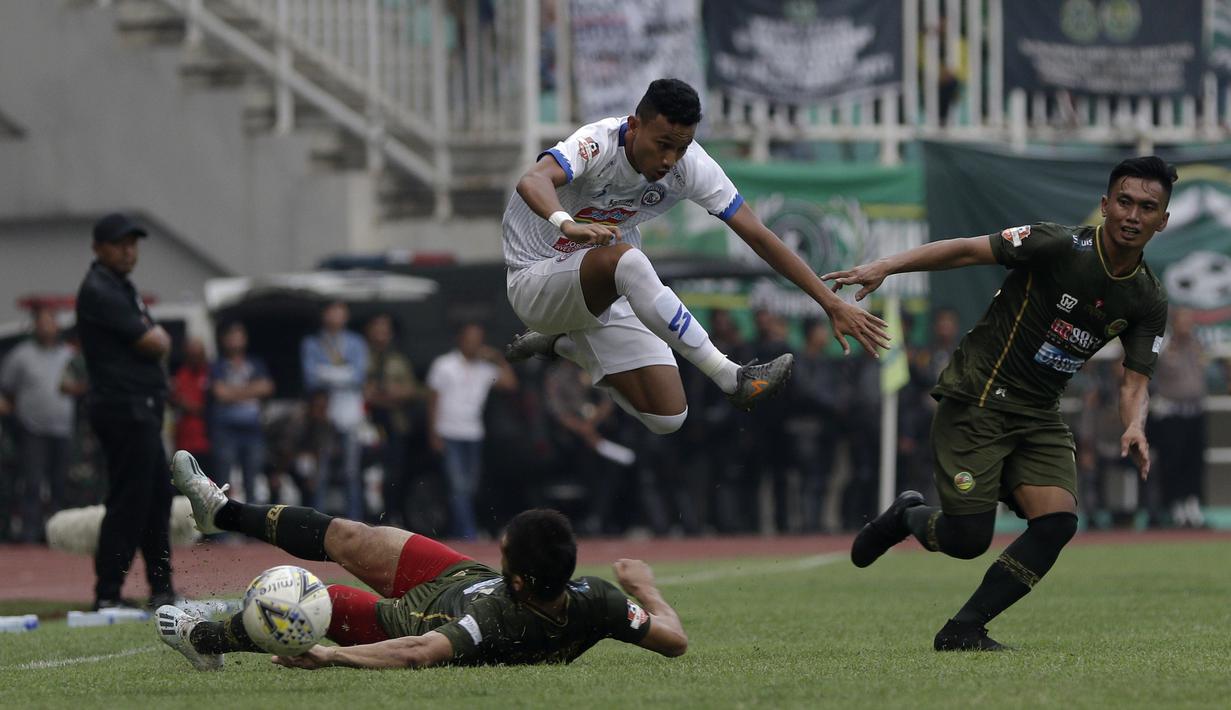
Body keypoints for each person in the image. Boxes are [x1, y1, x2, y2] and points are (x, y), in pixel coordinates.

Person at [824, 157, 1173, 650]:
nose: (1133, 215)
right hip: (979, 396)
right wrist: (887, 265)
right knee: (968, 540)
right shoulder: (1058, 245)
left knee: (1057, 523)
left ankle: (964, 629)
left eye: (1148, 207)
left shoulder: (1148, 298)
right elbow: (967, 251)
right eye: (1125, 202)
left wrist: (1135, 425)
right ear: (1105, 205)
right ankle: (907, 517)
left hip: (1039, 413)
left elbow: (1134, 380)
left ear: (1163, 220)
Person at [502, 78, 889, 436]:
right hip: (536, 274)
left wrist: (831, 303)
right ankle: (733, 378)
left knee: (668, 417)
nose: (671, 159)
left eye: (682, 146)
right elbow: (532, 180)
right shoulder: (598, 142)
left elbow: (758, 234)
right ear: (635, 125)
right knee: (631, 261)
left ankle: (558, 343)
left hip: (603, 285)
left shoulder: (691, 167)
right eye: (663, 144)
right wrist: (566, 223)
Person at [157, 450, 686, 670]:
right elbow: (674, 640)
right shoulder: (598, 598)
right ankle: (223, 513)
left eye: (505, 552)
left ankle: (202, 640)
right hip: (456, 578)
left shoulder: (495, 620)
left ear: (521, 582)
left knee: (313, 605)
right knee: (351, 536)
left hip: (417, 616)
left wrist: (331, 657)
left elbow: (419, 651)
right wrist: (646, 588)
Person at [75, 212, 177, 610]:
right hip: (124, 408)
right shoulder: (101, 289)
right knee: (129, 501)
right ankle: (107, 594)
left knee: (156, 498)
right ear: (98, 248)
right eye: (120, 244)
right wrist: (159, 338)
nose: (128, 251)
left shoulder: (120, 285)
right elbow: (154, 342)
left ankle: (161, 588)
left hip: (140, 408)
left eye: (133, 244)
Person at [426, 323, 518, 540]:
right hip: (449, 431)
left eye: (478, 339)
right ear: (460, 339)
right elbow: (433, 400)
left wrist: (497, 357)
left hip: (473, 433)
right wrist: (433, 432)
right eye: (470, 339)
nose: (475, 343)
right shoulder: (444, 365)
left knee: (471, 486)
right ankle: (468, 533)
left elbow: (511, 384)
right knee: (458, 485)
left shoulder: (485, 369)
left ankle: (460, 530)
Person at [0, 305, 75, 542]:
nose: (46, 327)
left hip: (63, 428)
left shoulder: (68, 354)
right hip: (32, 428)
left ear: (58, 326)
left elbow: (80, 385)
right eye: (42, 322)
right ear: (35, 326)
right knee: (32, 482)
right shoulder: (21, 355)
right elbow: (7, 389)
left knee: (59, 483)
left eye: (50, 321)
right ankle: (29, 533)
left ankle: (56, 534)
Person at [301, 300, 368, 520]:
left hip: (350, 413)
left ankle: (355, 520)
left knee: (351, 471)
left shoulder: (356, 343)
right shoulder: (312, 343)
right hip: (325, 413)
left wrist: (326, 373)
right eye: (332, 311)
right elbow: (310, 378)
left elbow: (359, 377)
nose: (336, 316)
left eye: (341, 311)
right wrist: (344, 373)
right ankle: (317, 521)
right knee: (321, 470)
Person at [1147, 307, 1208, 528]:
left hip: (1195, 411)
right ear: (1175, 323)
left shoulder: (1197, 344)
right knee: (1173, 461)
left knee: (1195, 461)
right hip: (1172, 413)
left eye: (1190, 321)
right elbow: (1148, 373)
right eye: (1183, 321)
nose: (1187, 326)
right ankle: (1175, 506)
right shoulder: (1163, 346)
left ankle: (1193, 504)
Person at [363, 313, 423, 527]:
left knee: (395, 473)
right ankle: (363, 517)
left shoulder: (398, 360)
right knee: (363, 471)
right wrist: (387, 397)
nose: (382, 334)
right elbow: (364, 393)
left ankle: (390, 516)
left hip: (395, 424)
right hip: (365, 425)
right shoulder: (361, 356)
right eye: (378, 328)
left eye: (386, 329)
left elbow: (412, 390)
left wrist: (386, 396)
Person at [210, 322, 274, 505]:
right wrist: (252, 390)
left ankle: (251, 528)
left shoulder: (255, 363)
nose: (235, 340)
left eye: (238, 335)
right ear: (223, 340)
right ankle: (222, 529)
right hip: (225, 430)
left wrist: (234, 393)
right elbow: (220, 394)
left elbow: (268, 387)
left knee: (252, 480)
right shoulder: (218, 366)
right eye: (231, 336)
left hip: (253, 429)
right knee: (223, 482)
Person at [171, 338, 211, 480]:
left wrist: (188, 405)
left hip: (208, 441)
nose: (195, 358)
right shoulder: (180, 375)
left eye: (198, 354)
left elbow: (209, 407)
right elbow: (175, 400)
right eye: (191, 354)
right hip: (185, 441)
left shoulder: (210, 374)